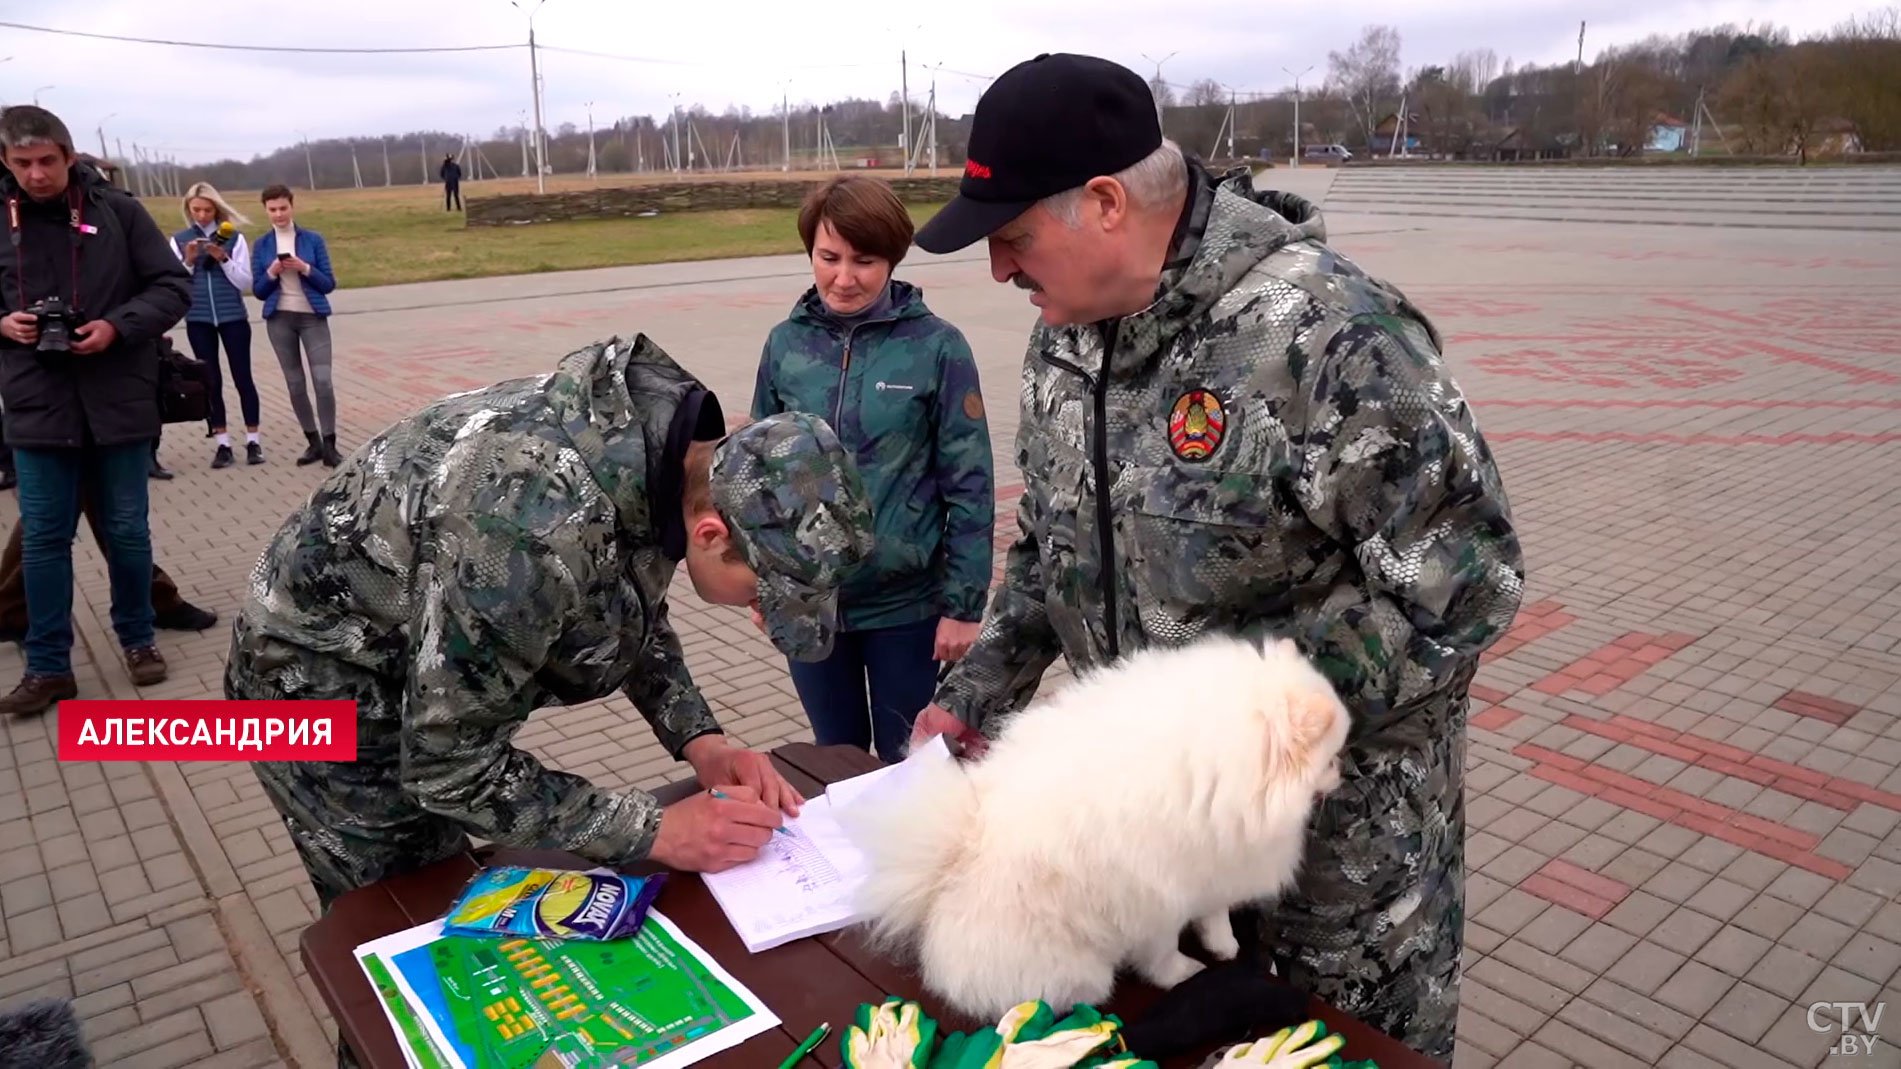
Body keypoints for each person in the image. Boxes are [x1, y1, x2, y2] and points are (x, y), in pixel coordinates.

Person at [904, 54, 1525, 1063]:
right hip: (1155, 865)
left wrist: (1246, 736)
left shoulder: (1326, 333)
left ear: (1102, 203)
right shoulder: (1067, 343)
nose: (999, 271)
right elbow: (1048, 549)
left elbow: (1462, 581)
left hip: (1334, 869)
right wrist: (973, 694)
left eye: (1012, 238)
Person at [227, 335, 876, 1006]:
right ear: (712, 533)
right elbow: (450, 767)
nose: (757, 617)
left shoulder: (667, 459)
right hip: (314, 695)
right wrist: (655, 830)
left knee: (449, 895)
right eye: (758, 594)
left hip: (403, 666)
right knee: (406, 935)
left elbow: (630, 605)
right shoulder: (528, 529)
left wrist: (701, 741)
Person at [749, 175, 994, 763]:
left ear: (892, 259)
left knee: (911, 763)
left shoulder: (938, 348)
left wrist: (963, 605)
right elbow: (756, 477)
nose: (844, 277)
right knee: (834, 761)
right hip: (813, 607)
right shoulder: (785, 346)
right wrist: (763, 580)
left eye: (865, 260)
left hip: (905, 607)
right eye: (828, 257)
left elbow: (970, 482)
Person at [0, 106, 189, 715]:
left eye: (47, 161)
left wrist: (117, 325)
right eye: (21, 163)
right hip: (37, 405)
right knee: (45, 541)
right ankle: (49, 666)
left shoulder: (120, 213)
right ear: (5, 161)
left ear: (69, 156)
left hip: (118, 400)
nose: (35, 175)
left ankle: (138, 638)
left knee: (129, 532)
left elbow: (171, 286)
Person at [170, 181, 264, 468]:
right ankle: (222, 444)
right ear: (188, 209)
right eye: (196, 210)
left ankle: (253, 441)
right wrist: (188, 261)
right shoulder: (179, 240)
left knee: (242, 377)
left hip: (232, 317)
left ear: (217, 209)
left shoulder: (234, 238)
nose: (201, 215)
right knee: (211, 381)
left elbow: (245, 282)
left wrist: (222, 258)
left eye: (207, 210)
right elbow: (173, 284)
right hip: (199, 320)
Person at [250, 183, 341, 467]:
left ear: (292, 206)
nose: (279, 214)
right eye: (273, 209)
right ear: (266, 211)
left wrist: (305, 268)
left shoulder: (313, 239)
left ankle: (330, 444)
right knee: (295, 383)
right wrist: (271, 272)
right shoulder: (262, 245)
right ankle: (312, 441)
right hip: (280, 319)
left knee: (323, 381)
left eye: (283, 208)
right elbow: (259, 291)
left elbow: (328, 284)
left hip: (312, 317)